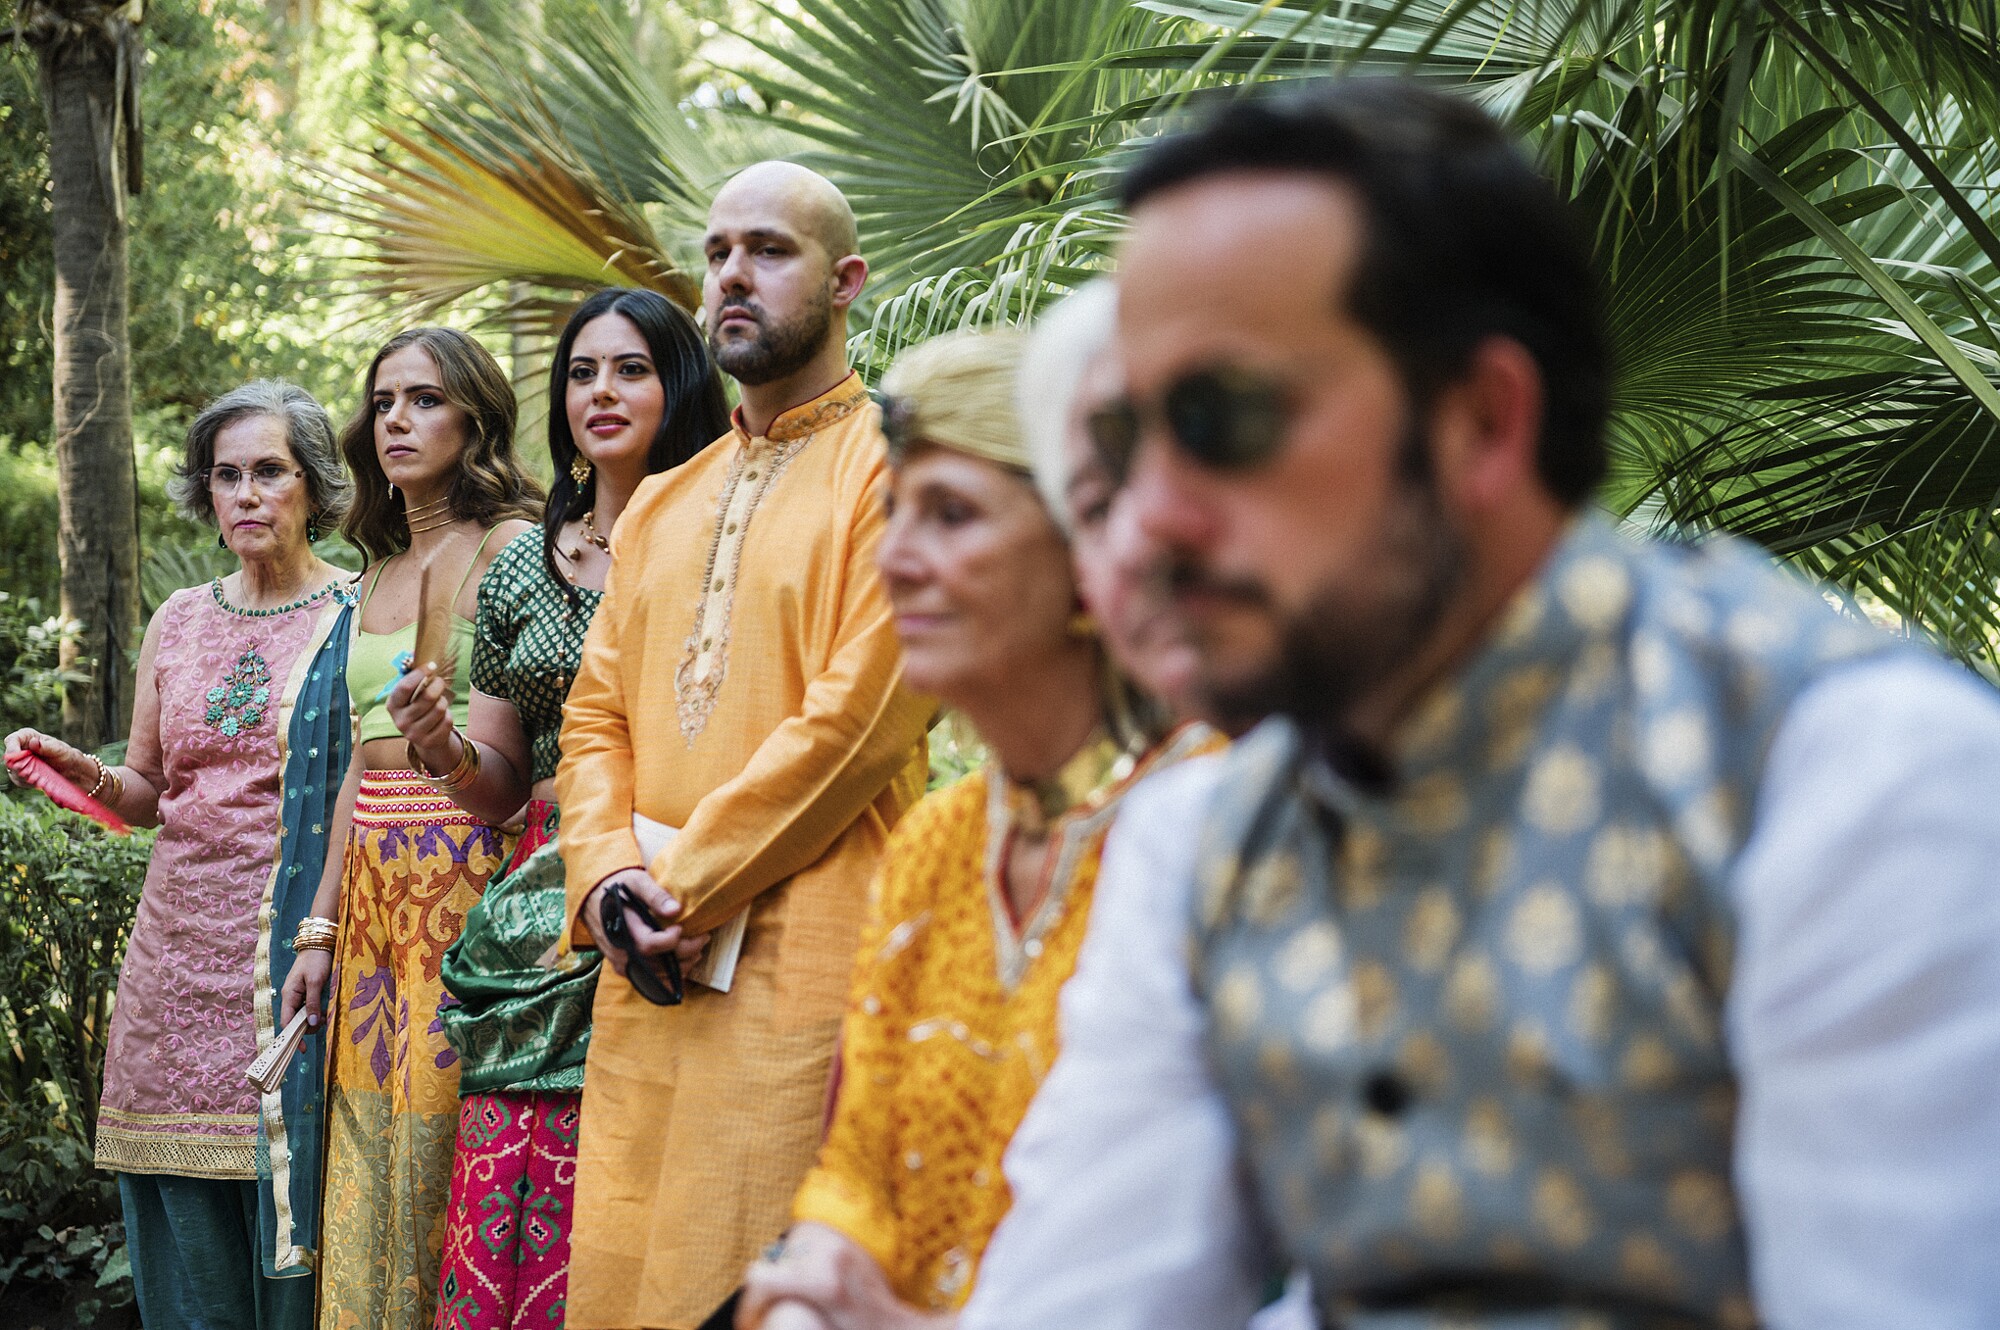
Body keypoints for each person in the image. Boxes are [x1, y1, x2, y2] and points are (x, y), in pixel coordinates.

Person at [963, 79, 2000, 1329]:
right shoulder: (1198, 847)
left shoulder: (1846, 784)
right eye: (1130, 443)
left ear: (1481, 420)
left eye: (1223, 418)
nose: (1150, 519)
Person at [735, 330, 1215, 1330]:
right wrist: (808, 1300)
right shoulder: (938, 840)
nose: (894, 560)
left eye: (950, 515)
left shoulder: (1219, 838)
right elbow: (856, 1171)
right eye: (892, 512)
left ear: (1093, 551)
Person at [555, 162, 935, 1328]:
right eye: (718, 251)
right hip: (651, 964)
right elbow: (593, 717)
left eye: (768, 250)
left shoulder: (900, 468)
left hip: (807, 961)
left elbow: (865, 717)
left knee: (761, 1275)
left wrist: (682, 878)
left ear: (845, 279)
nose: (731, 274)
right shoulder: (666, 499)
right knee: (630, 1269)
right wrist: (608, 875)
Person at [384, 289, 731, 1330]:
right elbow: (495, 779)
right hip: (532, 898)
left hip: (668, 873)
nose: (601, 392)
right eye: (582, 372)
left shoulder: (723, 542)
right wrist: (440, 744)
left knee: (621, 1178)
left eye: (630, 369)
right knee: (504, 1167)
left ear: (679, 385)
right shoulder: (527, 564)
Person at [6, 381, 356, 1330]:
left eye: (269, 472)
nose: (246, 494)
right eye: (226, 475)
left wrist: (320, 933)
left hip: (291, 949)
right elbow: (151, 792)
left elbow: (369, 795)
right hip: (172, 954)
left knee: (295, 1189)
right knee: (180, 1212)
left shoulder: (359, 617)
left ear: (315, 486)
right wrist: (88, 774)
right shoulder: (180, 617)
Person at [281, 326, 544, 1330]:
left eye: (424, 399)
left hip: (466, 864)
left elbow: (512, 765)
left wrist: (444, 750)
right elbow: (356, 757)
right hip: (373, 886)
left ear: (473, 416)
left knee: (444, 1138)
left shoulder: (510, 545)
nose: (396, 418)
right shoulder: (379, 568)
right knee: (365, 1139)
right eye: (383, 401)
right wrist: (318, 926)